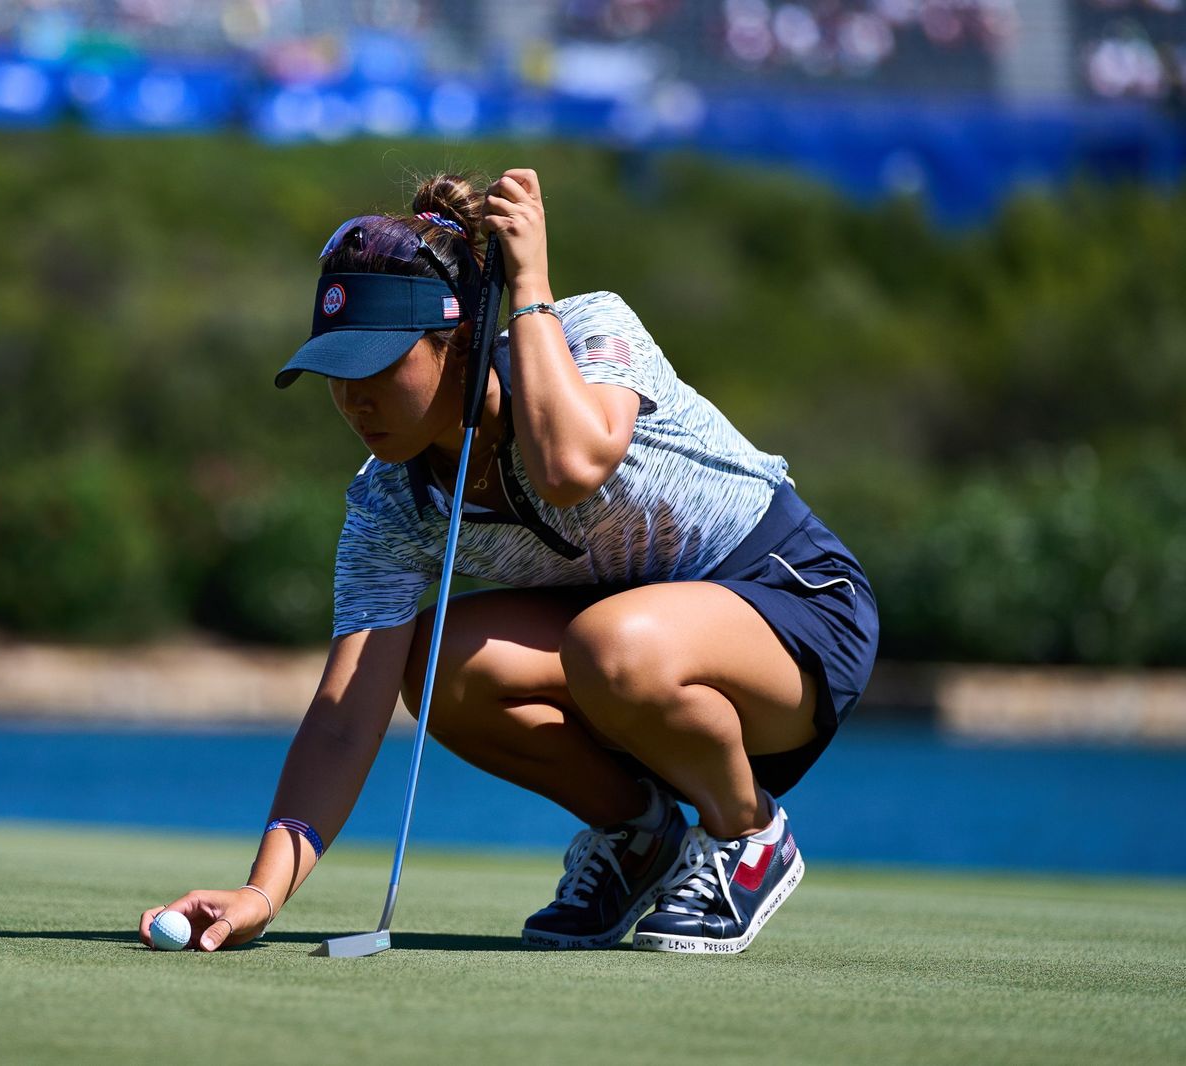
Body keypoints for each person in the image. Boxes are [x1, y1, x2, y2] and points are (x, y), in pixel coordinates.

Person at [139, 169, 879, 955]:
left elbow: (568, 468)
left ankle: (750, 834)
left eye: (378, 368)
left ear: (457, 343)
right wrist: (263, 892)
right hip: (635, 655)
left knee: (612, 645)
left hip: (795, 609)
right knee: (434, 668)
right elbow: (343, 719)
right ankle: (639, 839)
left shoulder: (590, 331)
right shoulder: (391, 503)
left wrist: (528, 283)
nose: (355, 401)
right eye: (336, 374)